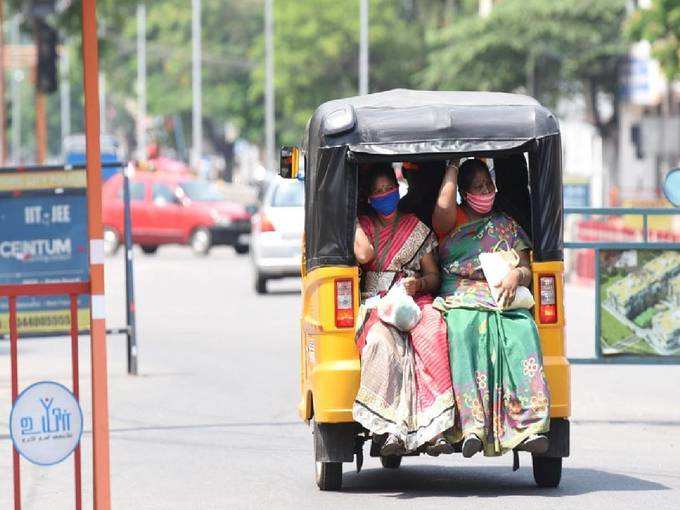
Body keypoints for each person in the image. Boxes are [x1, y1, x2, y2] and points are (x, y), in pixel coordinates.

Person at [432, 158, 550, 458]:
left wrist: (516, 275)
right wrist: (453, 166)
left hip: (500, 294)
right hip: (460, 293)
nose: (485, 191)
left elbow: (525, 267)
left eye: (488, 185)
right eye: (477, 187)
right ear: (463, 191)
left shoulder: (505, 224)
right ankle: (471, 427)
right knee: (462, 328)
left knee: (522, 330)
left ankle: (528, 426)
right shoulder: (453, 220)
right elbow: (441, 214)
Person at [353, 164, 455, 456]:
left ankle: (435, 427)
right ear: (369, 197)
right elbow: (364, 255)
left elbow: (435, 277)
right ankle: (388, 430)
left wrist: (419, 283)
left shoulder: (416, 227)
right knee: (382, 345)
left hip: (412, 300)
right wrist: (352, 220)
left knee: (433, 329)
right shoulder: (364, 226)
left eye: (389, 188)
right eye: (378, 191)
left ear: (399, 189)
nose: (385, 194)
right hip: (377, 303)